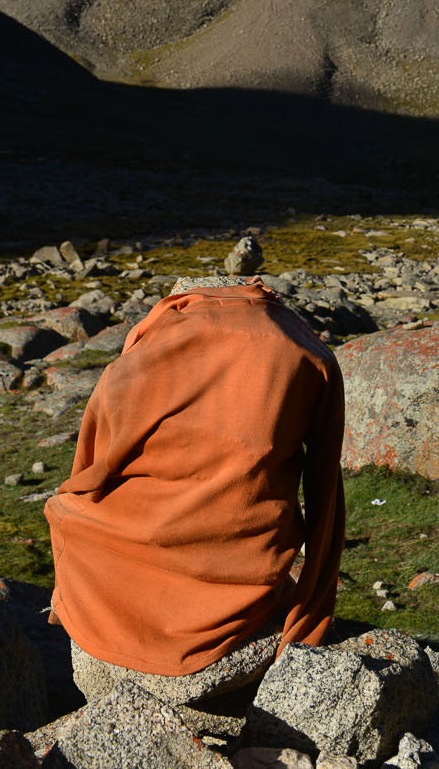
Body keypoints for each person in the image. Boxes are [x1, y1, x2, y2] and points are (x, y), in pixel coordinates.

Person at [44, 276, 345, 702]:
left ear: (183, 298)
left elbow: (93, 471)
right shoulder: (307, 351)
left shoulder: (152, 345)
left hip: (125, 557)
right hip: (244, 574)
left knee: (66, 510)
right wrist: (308, 611)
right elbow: (323, 493)